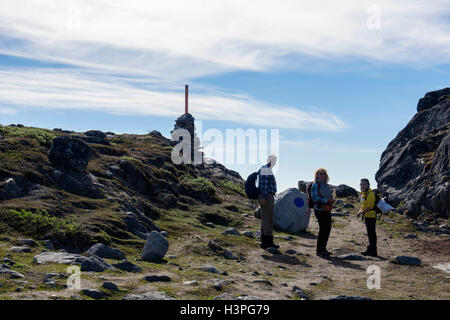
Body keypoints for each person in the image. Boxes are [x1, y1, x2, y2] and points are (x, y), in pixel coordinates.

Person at [311, 168, 335, 257]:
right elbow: (314, 197)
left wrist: (331, 199)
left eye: (324, 174)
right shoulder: (315, 184)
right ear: (317, 175)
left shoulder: (326, 185)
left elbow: (329, 195)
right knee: (323, 229)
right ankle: (319, 251)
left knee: (327, 229)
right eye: (320, 173)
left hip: (327, 209)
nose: (322, 175)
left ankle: (323, 249)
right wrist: (326, 200)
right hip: (319, 209)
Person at [258, 154, 278, 250]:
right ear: (268, 160)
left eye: (274, 160)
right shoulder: (266, 169)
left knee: (266, 218)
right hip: (267, 196)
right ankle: (267, 242)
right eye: (272, 160)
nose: (273, 162)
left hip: (267, 196)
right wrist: (264, 197)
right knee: (268, 218)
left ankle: (265, 241)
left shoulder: (266, 169)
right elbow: (265, 185)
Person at [357, 178, 378, 257]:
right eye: (361, 184)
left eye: (364, 184)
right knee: (370, 233)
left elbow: (370, 206)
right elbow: (363, 205)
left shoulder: (370, 193)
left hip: (371, 216)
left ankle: (373, 251)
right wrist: (360, 211)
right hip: (367, 216)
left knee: (371, 234)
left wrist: (362, 212)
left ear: (368, 185)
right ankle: (371, 250)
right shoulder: (363, 194)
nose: (362, 185)